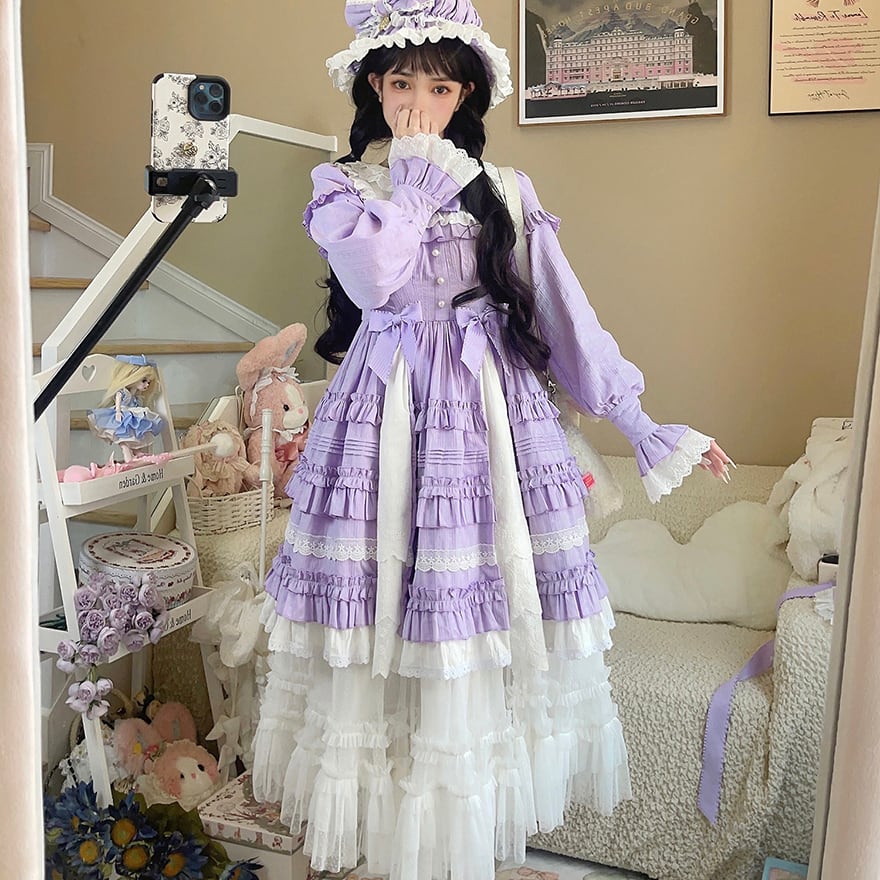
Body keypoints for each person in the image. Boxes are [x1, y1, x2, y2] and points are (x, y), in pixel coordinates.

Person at [251, 2, 732, 878]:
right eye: (402, 83)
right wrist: (413, 182)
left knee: (475, 618)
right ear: (373, 84)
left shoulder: (507, 188)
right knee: (378, 614)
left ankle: (455, 842)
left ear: (466, 93)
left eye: (440, 88)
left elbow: (563, 315)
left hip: (485, 422)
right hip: (384, 414)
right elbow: (374, 281)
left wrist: (642, 424)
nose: (418, 105)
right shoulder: (342, 187)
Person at [87, 355, 164, 462]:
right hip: (122, 413)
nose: (147, 385)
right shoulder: (122, 392)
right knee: (123, 435)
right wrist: (118, 412)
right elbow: (118, 402)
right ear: (132, 377)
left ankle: (136, 451)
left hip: (130, 413)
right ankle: (126, 453)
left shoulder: (135, 395)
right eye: (144, 381)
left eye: (148, 382)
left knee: (133, 434)